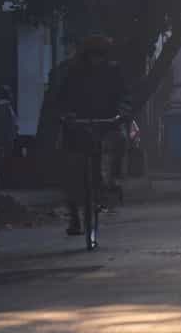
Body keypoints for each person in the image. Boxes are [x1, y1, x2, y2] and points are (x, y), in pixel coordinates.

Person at [56, 34, 132, 236]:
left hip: (106, 125)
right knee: (70, 171)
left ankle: (112, 180)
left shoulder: (114, 72)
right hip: (78, 127)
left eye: (100, 55)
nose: (96, 59)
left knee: (121, 140)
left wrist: (121, 113)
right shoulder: (73, 73)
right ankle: (74, 217)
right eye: (93, 55)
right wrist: (67, 116)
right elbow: (62, 99)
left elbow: (124, 96)